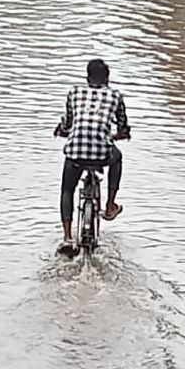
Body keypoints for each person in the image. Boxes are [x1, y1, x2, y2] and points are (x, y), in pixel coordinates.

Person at [54, 59, 130, 254]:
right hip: (102, 153)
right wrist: (120, 134)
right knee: (117, 157)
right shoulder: (115, 95)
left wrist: (62, 131)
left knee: (67, 190)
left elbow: (67, 123)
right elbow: (123, 127)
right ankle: (110, 204)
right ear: (107, 78)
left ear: (87, 78)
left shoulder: (74, 92)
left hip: (75, 153)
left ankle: (67, 237)